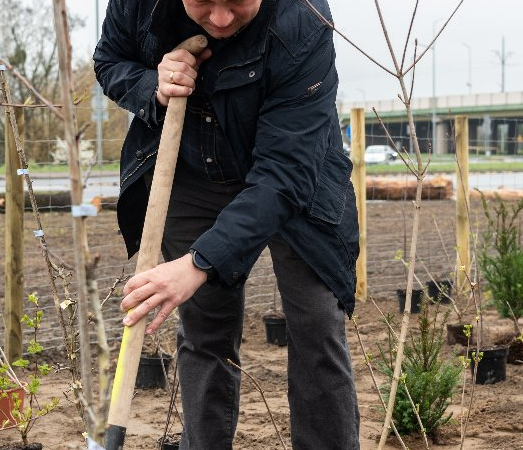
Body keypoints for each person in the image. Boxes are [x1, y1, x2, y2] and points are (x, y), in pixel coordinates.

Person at [94, 0, 360, 448]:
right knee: (205, 330)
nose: (219, 18)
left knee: (316, 324)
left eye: (236, 1)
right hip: (194, 171)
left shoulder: (303, 20)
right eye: (203, 1)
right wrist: (150, 84)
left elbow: (283, 177)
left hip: (297, 177)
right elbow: (109, 59)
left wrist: (198, 262)